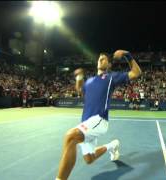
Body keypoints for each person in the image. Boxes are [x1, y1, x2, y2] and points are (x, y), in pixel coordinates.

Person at [55, 50, 142, 180]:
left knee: (70, 137)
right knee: (89, 158)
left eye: (104, 59)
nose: (100, 60)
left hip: (99, 120)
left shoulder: (111, 76)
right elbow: (80, 90)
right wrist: (79, 78)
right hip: (86, 122)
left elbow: (136, 73)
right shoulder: (90, 81)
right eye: (99, 58)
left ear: (109, 65)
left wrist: (127, 55)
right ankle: (112, 146)